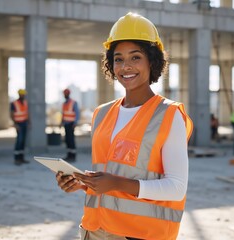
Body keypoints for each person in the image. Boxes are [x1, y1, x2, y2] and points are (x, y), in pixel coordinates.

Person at [55, 12, 193, 240]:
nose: (125, 66)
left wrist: (116, 183)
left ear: (152, 60)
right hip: (95, 229)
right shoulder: (102, 114)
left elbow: (176, 188)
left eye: (135, 57)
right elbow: (112, 176)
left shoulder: (169, 115)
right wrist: (82, 183)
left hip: (140, 234)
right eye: (118, 59)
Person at [10, 89, 30, 165]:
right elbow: (11, 114)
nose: (23, 96)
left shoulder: (25, 102)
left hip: (24, 123)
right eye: (22, 94)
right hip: (19, 124)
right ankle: (17, 158)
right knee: (19, 141)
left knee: (23, 141)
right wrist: (15, 124)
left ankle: (21, 158)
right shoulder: (14, 103)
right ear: (19, 95)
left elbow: (27, 113)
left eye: (24, 94)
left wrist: (29, 122)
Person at [60, 88, 80, 162]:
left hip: (71, 124)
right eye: (64, 94)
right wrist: (61, 122)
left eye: (66, 94)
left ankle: (73, 156)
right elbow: (63, 114)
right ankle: (69, 155)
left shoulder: (73, 102)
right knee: (67, 140)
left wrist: (75, 123)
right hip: (66, 124)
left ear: (68, 94)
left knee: (71, 140)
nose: (65, 95)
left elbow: (77, 113)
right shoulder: (64, 103)